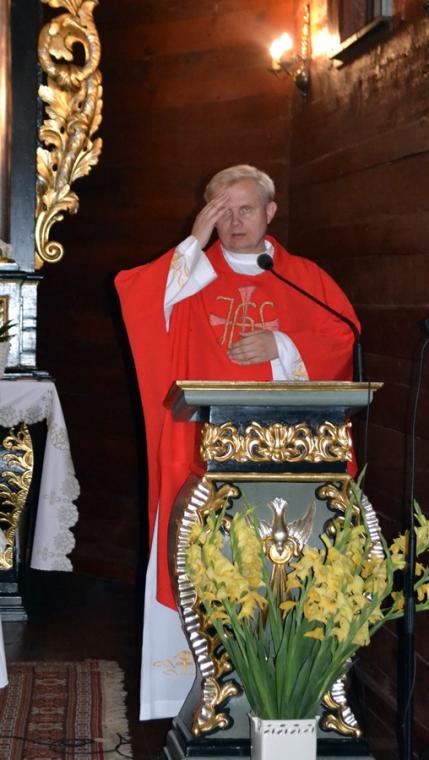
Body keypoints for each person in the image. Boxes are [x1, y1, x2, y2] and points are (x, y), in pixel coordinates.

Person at [115, 165, 360, 720]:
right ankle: (200, 700)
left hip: (288, 458)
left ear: (270, 212)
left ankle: (288, 695)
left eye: (245, 209)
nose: (234, 222)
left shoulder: (303, 277)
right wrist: (193, 243)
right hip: (199, 452)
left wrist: (284, 344)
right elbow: (140, 297)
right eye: (220, 211)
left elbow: (344, 336)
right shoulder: (191, 275)